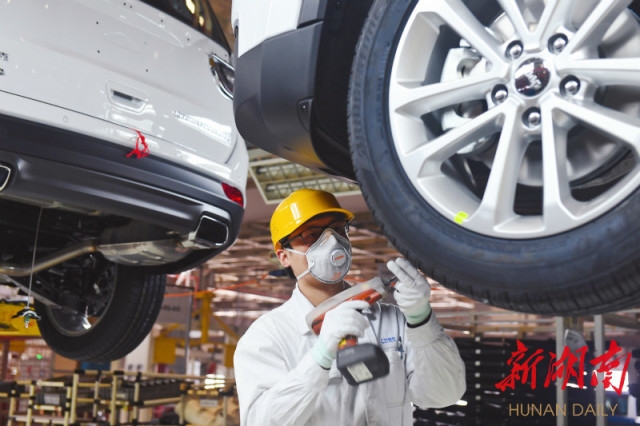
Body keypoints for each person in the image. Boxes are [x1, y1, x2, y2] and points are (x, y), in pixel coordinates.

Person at [233, 188, 466, 425]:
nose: (332, 242)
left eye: (338, 229)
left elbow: (444, 394)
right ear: (284, 256)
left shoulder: (393, 320)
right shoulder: (267, 337)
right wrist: (319, 358)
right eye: (312, 235)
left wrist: (422, 321)